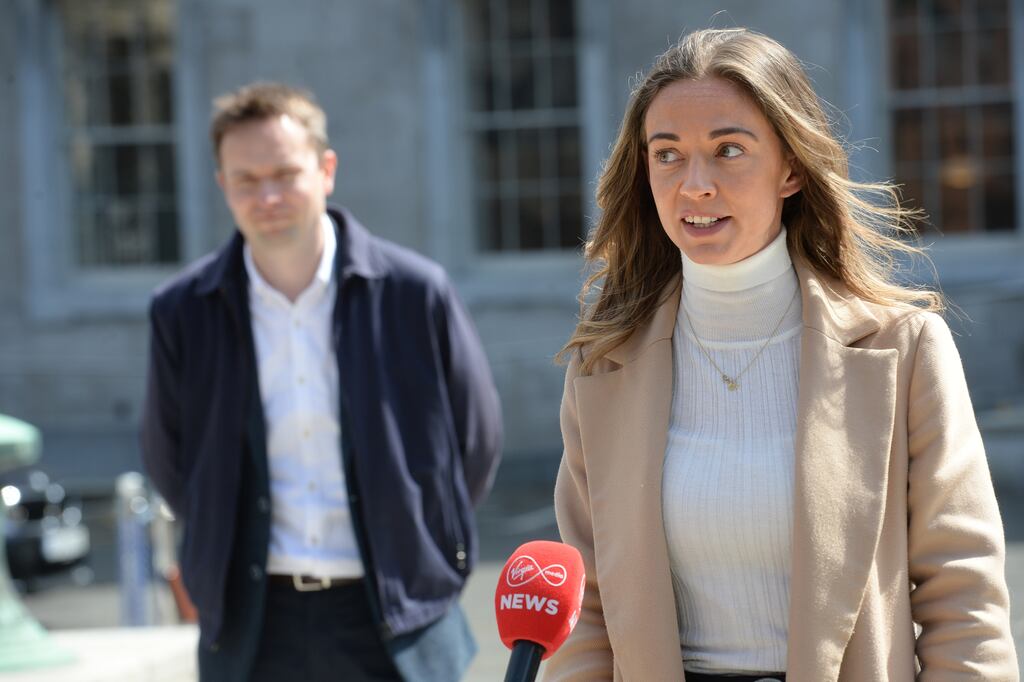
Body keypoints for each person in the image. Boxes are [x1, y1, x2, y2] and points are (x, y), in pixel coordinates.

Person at [544, 29, 1018, 681]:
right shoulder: (603, 367)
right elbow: (586, 610)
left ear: (790, 169)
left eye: (728, 150)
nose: (695, 185)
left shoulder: (902, 349)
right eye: (668, 155)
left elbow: (963, 600)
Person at [141, 82, 502, 682]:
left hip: (399, 616)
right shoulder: (182, 311)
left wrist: (422, 539)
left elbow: (476, 441)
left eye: (285, 173)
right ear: (222, 184)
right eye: (247, 179)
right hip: (252, 626)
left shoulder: (415, 293)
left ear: (326, 170)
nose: (268, 196)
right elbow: (169, 459)